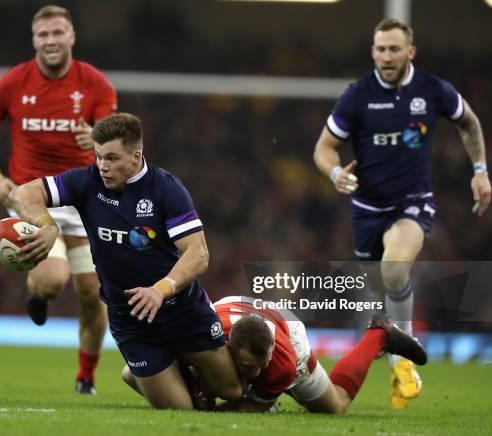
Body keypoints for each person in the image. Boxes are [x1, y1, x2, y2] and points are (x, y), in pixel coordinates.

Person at [8, 113, 244, 409]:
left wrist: (160, 289)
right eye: (98, 157)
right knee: (184, 410)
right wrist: (47, 224)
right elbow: (22, 193)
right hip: (130, 320)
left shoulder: (166, 189)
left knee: (232, 391)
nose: (102, 166)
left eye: (111, 158)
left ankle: (173, 365)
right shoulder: (87, 181)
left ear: (136, 157)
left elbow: (198, 253)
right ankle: (147, 372)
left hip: (180, 310)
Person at [313, 18, 490, 408]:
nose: (387, 56)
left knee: (395, 269)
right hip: (365, 210)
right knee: (380, 287)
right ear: (372, 52)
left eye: (395, 49)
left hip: (412, 202)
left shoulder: (432, 90)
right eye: (381, 49)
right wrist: (336, 172)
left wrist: (480, 170)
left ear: (410, 52)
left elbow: (469, 122)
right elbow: (323, 148)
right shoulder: (357, 95)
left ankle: (402, 360)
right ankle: (388, 340)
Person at [0, 5, 117, 395]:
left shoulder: (95, 84)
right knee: (53, 280)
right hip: (34, 197)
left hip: (84, 200)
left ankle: (85, 377)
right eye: (43, 35)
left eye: (58, 33)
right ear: (34, 40)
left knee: (91, 295)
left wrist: (99, 140)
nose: (50, 41)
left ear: (71, 37)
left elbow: (111, 138)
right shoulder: (12, 84)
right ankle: (38, 292)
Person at [204, 296, 427, 413]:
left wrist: (209, 410)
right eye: (249, 366)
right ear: (228, 346)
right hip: (235, 307)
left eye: (263, 365)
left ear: (271, 350)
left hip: (287, 330)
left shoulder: (282, 364)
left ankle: (379, 334)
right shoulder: (206, 336)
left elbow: (251, 407)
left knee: (336, 406)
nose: (257, 372)